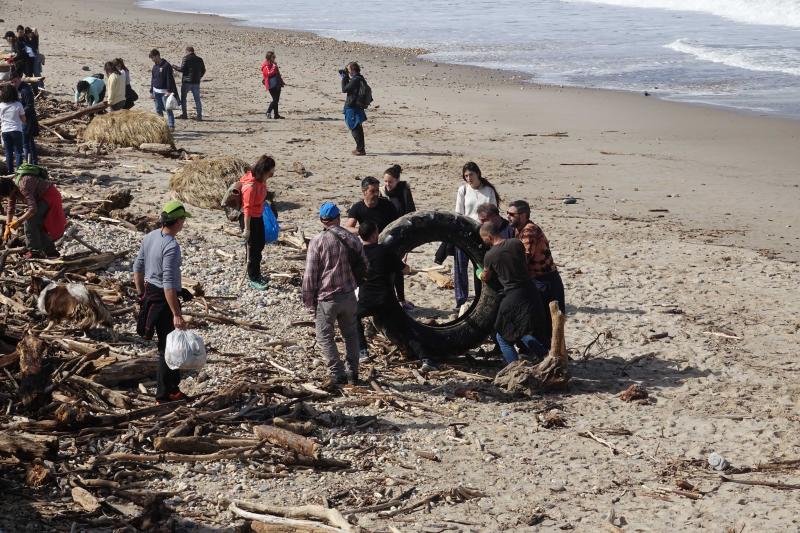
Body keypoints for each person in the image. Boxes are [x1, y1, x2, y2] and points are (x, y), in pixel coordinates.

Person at [302, 202, 367, 388]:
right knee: (350, 334)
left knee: (324, 336)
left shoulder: (317, 241)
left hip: (327, 298)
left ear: (322, 220)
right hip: (349, 295)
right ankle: (353, 372)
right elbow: (364, 264)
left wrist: (308, 301)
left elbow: (310, 275)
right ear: (338, 218)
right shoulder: (352, 239)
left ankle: (337, 373)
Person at [134, 201, 192, 405]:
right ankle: (164, 395)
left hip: (151, 293)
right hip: (163, 299)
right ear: (177, 221)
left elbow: (138, 268)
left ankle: (172, 389)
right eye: (183, 219)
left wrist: (142, 294)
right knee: (168, 348)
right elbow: (167, 284)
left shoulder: (151, 236)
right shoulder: (171, 246)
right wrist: (177, 314)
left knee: (168, 344)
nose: (184, 223)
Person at [356, 221, 435, 371]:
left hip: (366, 299)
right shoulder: (384, 251)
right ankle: (426, 359)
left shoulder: (358, 253)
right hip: (386, 299)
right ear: (374, 234)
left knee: (354, 317)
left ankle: (362, 352)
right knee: (405, 327)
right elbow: (405, 270)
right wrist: (403, 265)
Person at [479, 221, 549, 365]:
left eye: (483, 238)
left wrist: (479, 272)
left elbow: (486, 277)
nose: (483, 241)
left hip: (513, 295)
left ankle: (514, 367)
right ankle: (545, 356)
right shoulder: (516, 243)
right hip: (530, 290)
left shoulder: (490, 255)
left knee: (502, 336)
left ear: (489, 236)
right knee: (521, 331)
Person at [453, 161, 501, 308]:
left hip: (483, 233)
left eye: (471, 175)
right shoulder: (463, 190)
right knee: (460, 267)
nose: (468, 178)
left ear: (478, 174)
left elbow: (494, 212)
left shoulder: (488, 191)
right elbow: (458, 213)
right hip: (465, 232)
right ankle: (461, 299)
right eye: (466, 175)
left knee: (480, 266)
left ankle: (480, 297)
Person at [507, 200, 565, 314]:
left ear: (523, 215)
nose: (508, 216)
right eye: (507, 213)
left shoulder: (529, 230)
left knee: (549, 320)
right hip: (539, 280)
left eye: (512, 214)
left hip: (545, 281)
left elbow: (525, 257)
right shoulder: (518, 229)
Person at [0, 163, 65, 258]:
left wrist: (18, 221)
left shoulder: (23, 186)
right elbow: (10, 209)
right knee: (38, 226)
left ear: (11, 190)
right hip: (40, 198)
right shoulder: (11, 187)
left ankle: (34, 252)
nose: (10, 198)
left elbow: (33, 209)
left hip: (49, 196)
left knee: (30, 222)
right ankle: (51, 252)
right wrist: (7, 227)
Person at [381, 164, 416, 308]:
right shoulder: (381, 192)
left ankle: (401, 299)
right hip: (385, 234)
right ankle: (389, 299)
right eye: (385, 181)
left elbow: (410, 212)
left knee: (398, 268)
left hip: (400, 235)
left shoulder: (404, 191)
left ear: (397, 180)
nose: (387, 184)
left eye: (390, 182)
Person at [239, 155, 276, 291]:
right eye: (271, 171)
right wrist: (246, 230)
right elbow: (247, 209)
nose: (272, 174)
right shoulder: (250, 186)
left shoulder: (262, 181)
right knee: (252, 249)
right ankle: (253, 278)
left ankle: (257, 274)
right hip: (249, 219)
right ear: (263, 171)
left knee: (259, 245)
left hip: (258, 216)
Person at [9, 68, 39, 165]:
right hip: (22, 119)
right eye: (12, 82)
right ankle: (33, 162)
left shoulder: (26, 90)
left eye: (15, 81)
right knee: (28, 142)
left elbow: (30, 106)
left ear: (19, 79)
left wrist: (19, 113)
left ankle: (31, 163)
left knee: (27, 143)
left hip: (28, 119)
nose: (14, 84)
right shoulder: (17, 89)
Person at [340, 62, 367, 155]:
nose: (347, 71)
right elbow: (349, 88)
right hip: (357, 106)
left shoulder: (356, 79)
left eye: (348, 70)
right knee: (357, 127)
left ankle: (360, 149)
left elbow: (344, 89)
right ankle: (360, 148)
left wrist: (344, 78)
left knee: (354, 127)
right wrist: (346, 77)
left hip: (353, 106)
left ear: (353, 70)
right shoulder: (360, 78)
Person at [149, 49, 179, 131]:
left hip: (165, 92)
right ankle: (161, 125)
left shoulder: (166, 65)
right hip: (156, 91)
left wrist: (169, 90)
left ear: (157, 56)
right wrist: (151, 91)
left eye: (153, 58)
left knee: (168, 109)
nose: (152, 60)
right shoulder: (155, 66)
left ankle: (171, 125)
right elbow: (153, 79)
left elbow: (169, 79)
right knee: (158, 109)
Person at [174, 46, 205, 120]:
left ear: (187, 51)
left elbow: (182, 69)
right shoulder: (199, 59)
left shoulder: (186, 58)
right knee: (197, 99)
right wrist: (199, 77)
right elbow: (203, 70)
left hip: (187, 82)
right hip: (196, 82)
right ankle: (199, 116)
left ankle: (184, 114)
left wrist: (174, 67)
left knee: (183, 98)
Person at [0, 85, 26, 174]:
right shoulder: (18, 104)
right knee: (18, 152)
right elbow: (23, 119)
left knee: (8, 152)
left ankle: (10, 172)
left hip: (5, 130)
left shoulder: (1, 105)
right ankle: (19, 172)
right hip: (16, 130)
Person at [260, 51, 285, 119]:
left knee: (276, 100)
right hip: (271, 85)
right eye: (273, 57)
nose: (274, 58)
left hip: (277, 83)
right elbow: (268, 74)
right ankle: (268, 112)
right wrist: (274, 67)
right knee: (275, 99)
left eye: (274, 57)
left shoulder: (274, 64)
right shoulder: (265, 66)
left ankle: (276, 115)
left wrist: (281, 81)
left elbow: (278, 74)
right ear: (269, 58)